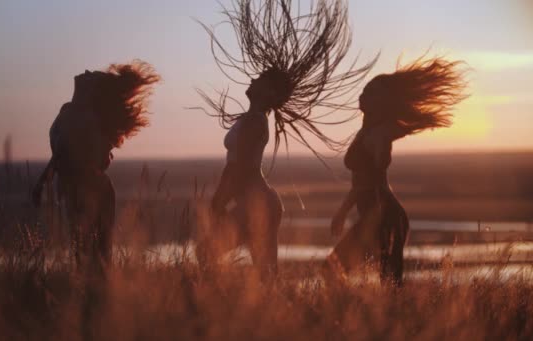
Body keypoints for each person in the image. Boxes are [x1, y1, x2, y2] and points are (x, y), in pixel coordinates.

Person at [194, 0, 377, 276]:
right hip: (260, 201)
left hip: (256, 202)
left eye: (261, 79)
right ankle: (264, 315)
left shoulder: (256, 121)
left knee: (208, 252)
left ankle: (215, 308)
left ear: (270, 94)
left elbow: (240, 167)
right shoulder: (251, 119)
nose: (254, 79)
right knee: (264, 271)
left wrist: (219, 201)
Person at [328, 56, 468, 284]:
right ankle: (364, 316)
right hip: (377, 214)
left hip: (384, 215)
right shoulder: (366, 132)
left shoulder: (378, 134)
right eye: (364, 91)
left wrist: (342, 212)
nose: (363, 96)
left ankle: (367, 316)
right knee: (386, 280)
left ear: (382, 102)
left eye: (371, 93)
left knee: (376, 278)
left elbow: (366, 182)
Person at [32, 61, 160, 268]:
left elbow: (62, 154)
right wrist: (43, 182)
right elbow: (62, 154)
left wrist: (42, 183)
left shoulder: (80, 117)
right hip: (84, 186)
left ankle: (95, 289)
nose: (85, 73)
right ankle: (95, 288)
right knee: (90, 245)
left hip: (86, 188)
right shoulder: (77, 114)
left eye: (90, 77)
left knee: (89, 245)